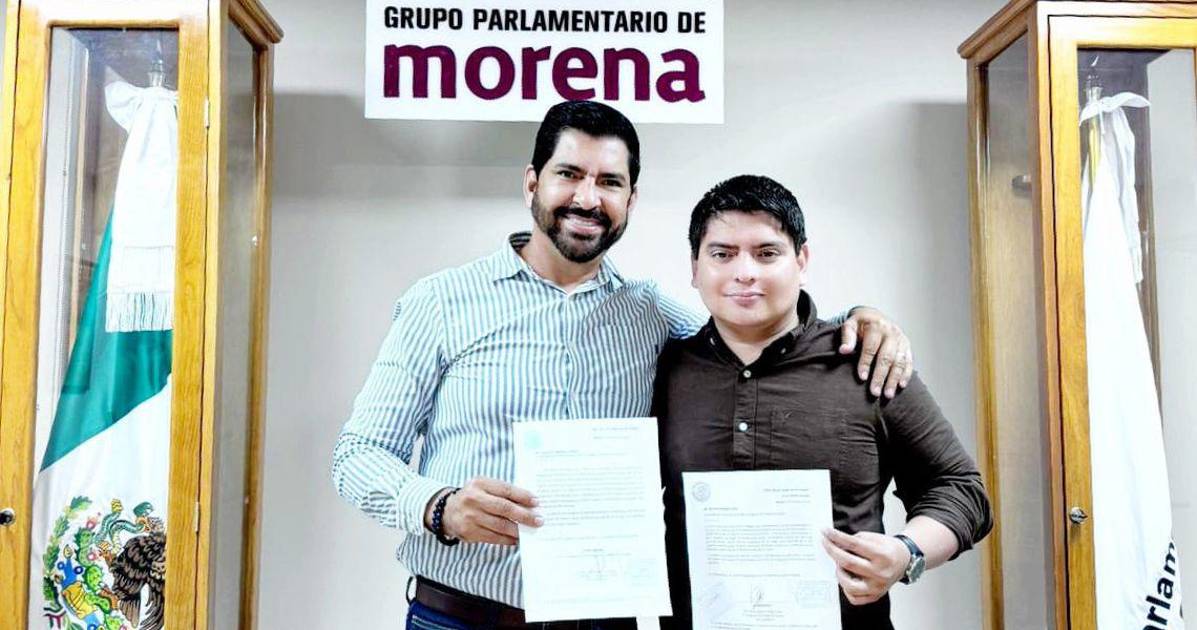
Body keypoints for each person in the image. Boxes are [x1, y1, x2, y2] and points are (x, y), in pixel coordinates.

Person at [331, 102, 916, 629]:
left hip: (604, 620)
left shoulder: (652, 314)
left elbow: (754, 335)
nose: (587, 199)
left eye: (609, 182)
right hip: (464, 615)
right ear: (532, 182)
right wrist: (438, 507)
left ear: (630, 201)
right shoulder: (441, 302)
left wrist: (857, 319)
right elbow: (357, 454)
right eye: (569, 174)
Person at [653, 174, 992, 630]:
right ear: (695, 268)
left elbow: (961, 489)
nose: (744, 272)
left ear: (802, 261)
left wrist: (906, 553)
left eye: (766, 253)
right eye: (722, 254)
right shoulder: (664, 371)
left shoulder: (868, 361)